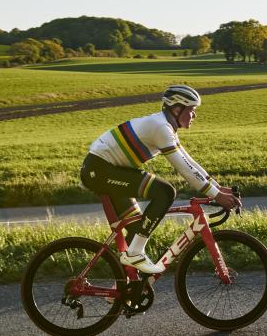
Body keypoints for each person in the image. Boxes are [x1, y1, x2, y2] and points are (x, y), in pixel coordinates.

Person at [80, 84, 239, 273]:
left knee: (137, 229)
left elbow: (189, 162)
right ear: (177, 109)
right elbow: (184, 169)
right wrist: (216, 195)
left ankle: (129, 284)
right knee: (165, 192)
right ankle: (134, 254)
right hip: (100, 171)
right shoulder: (161, 127)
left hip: (108, 170)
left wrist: (218, 188)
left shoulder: (165, 126)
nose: (194, 115)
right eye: (191, 110)